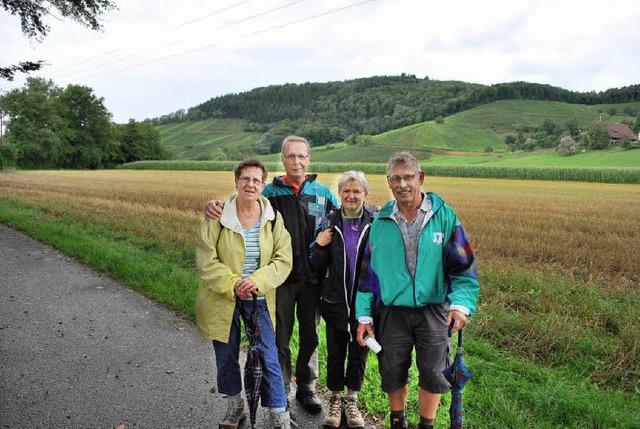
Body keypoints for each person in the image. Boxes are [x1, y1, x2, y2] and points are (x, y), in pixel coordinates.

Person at [204, 136, 338, 414]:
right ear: (283, 159)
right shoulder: (270, 193)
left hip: (314, 278)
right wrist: (214, 205)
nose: (296, 161)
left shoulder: (324, 193)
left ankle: (307, 388)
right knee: (280, 338)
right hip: (280, 281)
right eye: (290, 156)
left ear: (309, 159)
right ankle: (282, 389)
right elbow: (242, 203)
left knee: (311, 336)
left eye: (301, 156)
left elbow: (344, 218)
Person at [355, 152, 480, 429]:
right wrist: (364, 316)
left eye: (409, 177)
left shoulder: (443, 217)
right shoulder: (381, 221)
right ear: (389, 182)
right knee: (392, 372)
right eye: (396, 178)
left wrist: (460, 305)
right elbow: (367, 275)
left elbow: (464, 267)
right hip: (392, 312)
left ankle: (426, 425)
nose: (403, 184)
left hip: (433, 311)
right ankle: (397, 423)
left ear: (420, 178)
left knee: (434, 374)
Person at [196, 158, 294, 429]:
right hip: (223, 296)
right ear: (236, 181)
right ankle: (234, 405)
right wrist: (233, 284)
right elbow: (206, 259)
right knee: (226, 354)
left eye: (256, 180)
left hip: (258, 296)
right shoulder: (218, 215)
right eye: (245, 179)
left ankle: (279, 414)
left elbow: (283, 259)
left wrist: (255, 281)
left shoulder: (273, 219)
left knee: (267, 354)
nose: (250, 184)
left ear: (263, 184)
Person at [308, 171, 375, 429]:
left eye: (356, 191)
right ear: (339, 194)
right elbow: (315, 265)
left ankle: (352, 400)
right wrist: (318, 245)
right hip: (335, 301)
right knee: (335, 352)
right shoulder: (328, 221)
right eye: (346, 191)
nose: (351, 195)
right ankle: (335, 400)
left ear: (365, 194)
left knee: (359, 353)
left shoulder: (376, 220)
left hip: (365, 304)